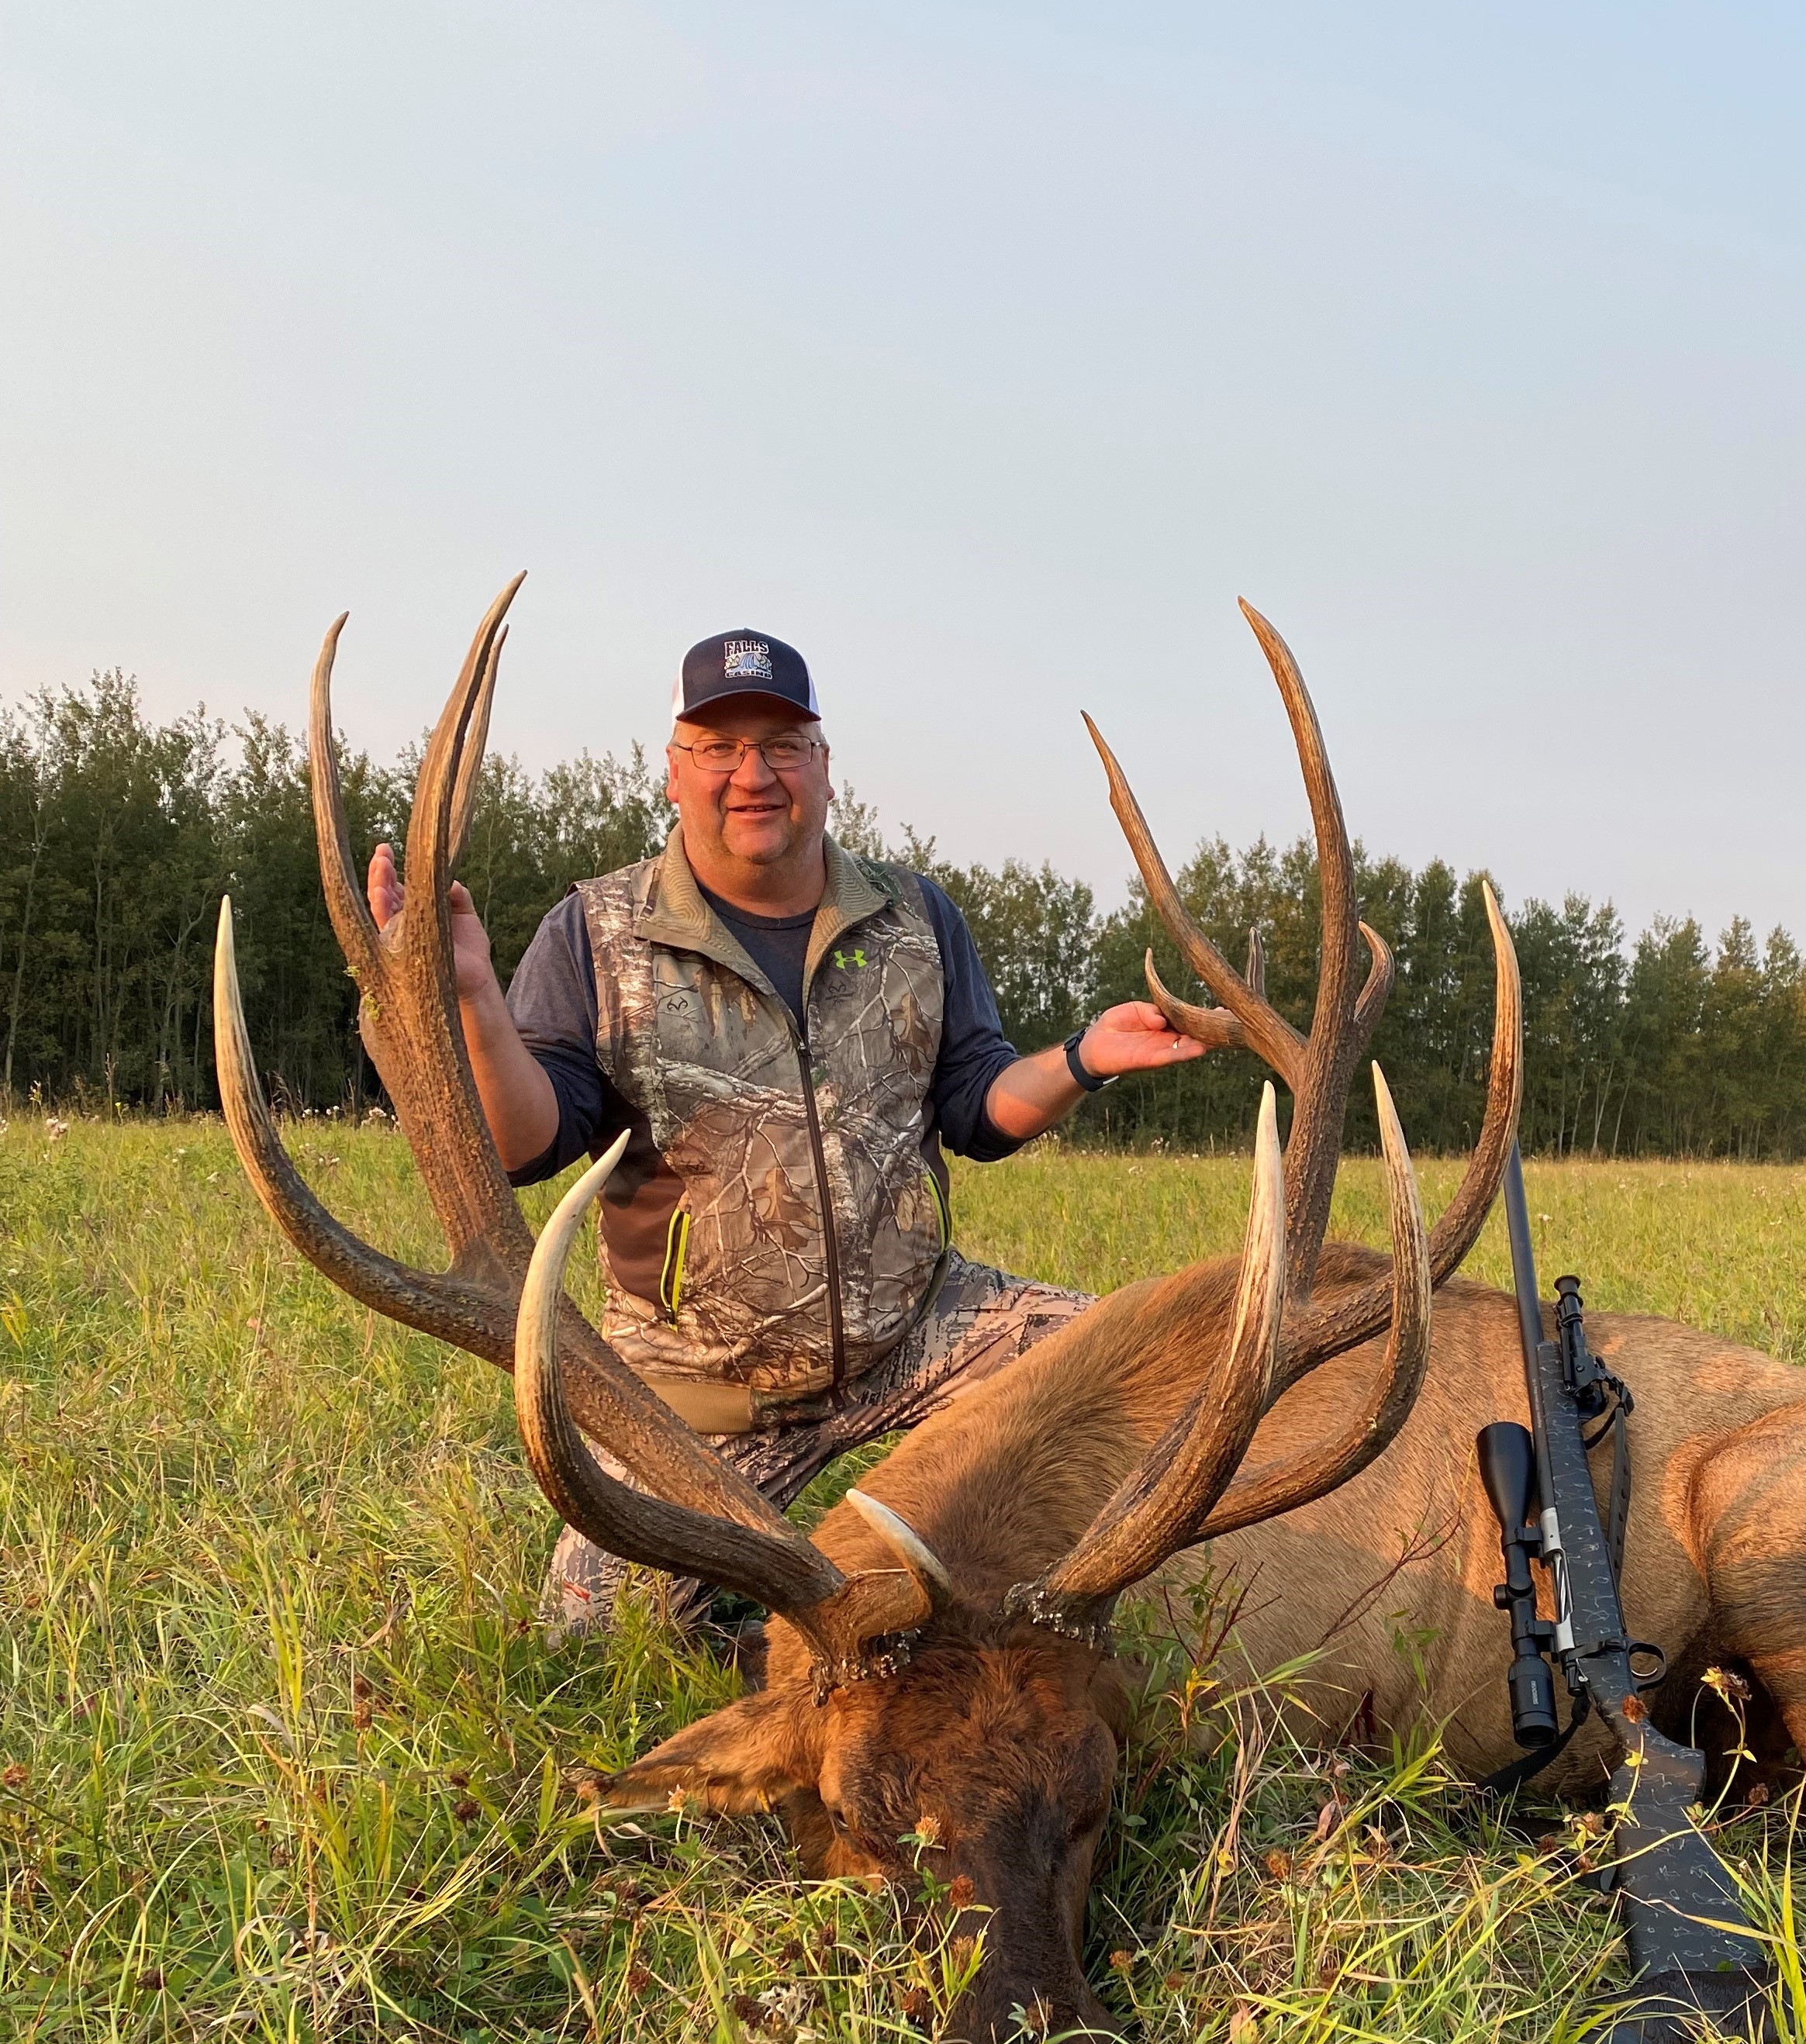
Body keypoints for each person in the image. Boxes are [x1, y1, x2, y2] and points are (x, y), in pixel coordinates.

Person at [366, 625, 1209, 1631]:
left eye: (782, 745)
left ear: (824, 770)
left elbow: (977, 1106)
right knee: (597, 1633)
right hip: (705, 1392)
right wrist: (472, 1000)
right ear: (675, 775)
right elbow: (525, 1142)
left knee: (1160, 1382)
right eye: (719, 749)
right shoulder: (595, 932)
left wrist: (1081, 1058)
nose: (751, 774)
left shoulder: (914, 917)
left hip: (920, 1333)